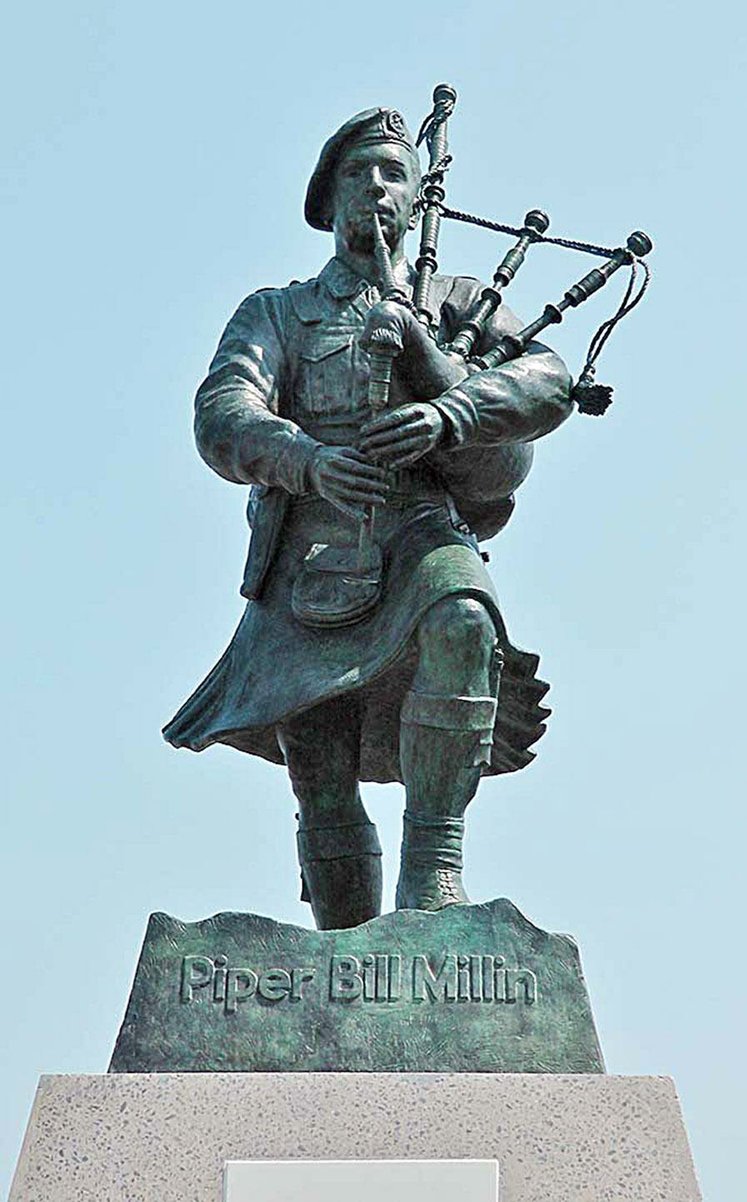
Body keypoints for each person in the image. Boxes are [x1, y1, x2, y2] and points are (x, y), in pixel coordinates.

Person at [163, 106, 573, 929]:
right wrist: (304, 458)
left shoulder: (453, 304)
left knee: (464, 621)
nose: (377, 188)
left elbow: (549, 383)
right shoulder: (277, 314)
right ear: (329, 197)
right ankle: (345, 951)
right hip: (307, 551)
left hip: (421, 529)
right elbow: (222, 411)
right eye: (360, 172)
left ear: (418, 202)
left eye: (394, 174)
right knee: (317, 759)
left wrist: (446, 401)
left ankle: (436, 873)